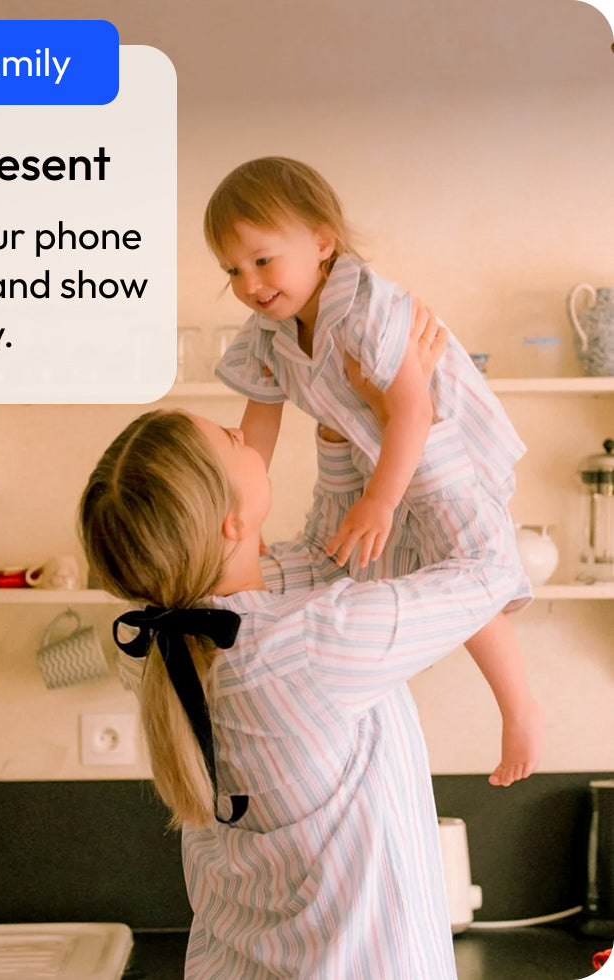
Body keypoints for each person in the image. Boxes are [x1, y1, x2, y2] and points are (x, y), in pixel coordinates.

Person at [78, 313, 529, 978]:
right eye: (235, 439)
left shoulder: (163, 642)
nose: (248, 436)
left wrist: (336, 422)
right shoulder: (301, 648)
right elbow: (487, 570)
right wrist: (417, 418)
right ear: (231, 520)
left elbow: (324, 558)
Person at [205, 155, 544, 787]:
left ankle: (519, 707)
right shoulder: (268, 332)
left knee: (464, 566)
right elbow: (257, 432)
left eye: (262, 259)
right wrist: (235, 511)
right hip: (373, 450)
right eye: (232, 270)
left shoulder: (366, 307)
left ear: (322, 241)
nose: (250, 282)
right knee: (357, 559)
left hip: (445, 444)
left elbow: (414, 413)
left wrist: (381, 502)